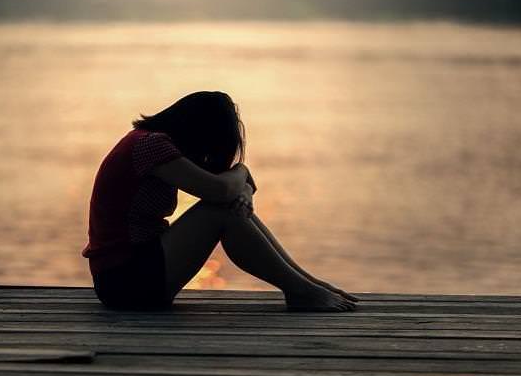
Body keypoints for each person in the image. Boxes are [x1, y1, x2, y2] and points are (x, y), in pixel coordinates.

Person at [81, 91, 358, 311]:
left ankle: (305, 284)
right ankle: (301, 290)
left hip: (132, 274)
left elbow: (235, 189)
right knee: (219, 211)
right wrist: (242, 171)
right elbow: (222, 190)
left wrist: (244, 192)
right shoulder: (150, 145)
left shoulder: (152, 144)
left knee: (225, 207)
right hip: (125, 280)